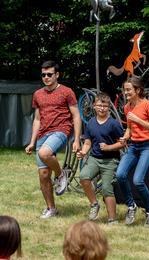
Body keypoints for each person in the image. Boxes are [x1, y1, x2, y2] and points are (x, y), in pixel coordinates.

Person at [25, 60, 81, 219]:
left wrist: (76, 139)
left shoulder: (67, 92)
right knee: (43, 175)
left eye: (50, 74)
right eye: (43, 75)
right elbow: (37, 119)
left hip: (61, 130)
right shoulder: (38, 94)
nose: (46, 77)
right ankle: (51, 208)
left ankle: (61, 174)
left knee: (44, 153)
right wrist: (32, 141)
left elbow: (76, 116)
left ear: (57, 75)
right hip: (43, 133)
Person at [115, 76, 149, 227]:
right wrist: (125, 137)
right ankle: (131, 206)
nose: (125, 92)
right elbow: (129, 128)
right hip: (134, 146)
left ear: (138, 90)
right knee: (120, 175)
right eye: (124, 89)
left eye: (128, 89)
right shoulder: (127, 107)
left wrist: (137, 119)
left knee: (137, 180)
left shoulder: (148, 105)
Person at [77, 92, 124, 224]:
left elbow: (123, 143)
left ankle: (112, 219)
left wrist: (109, 147)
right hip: (94, 158)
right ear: (94, 106)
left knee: (106, 189)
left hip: (110, 160)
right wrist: (83, 152)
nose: (102, 108)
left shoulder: (113, 124)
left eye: (105, 106)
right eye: (99, 105)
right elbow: (87, 142)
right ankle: (94, 204)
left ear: (109, 107)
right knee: (84, 176)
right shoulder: (91, 123)